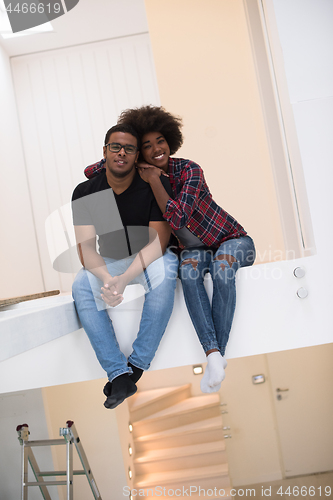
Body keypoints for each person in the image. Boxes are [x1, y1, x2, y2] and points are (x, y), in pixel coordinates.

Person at [84, 106, 256, 393]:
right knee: (188, 275)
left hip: (230, 239)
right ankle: (215, 358)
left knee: (222, 268)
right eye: (146, 145)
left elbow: (177, 218)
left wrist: (154, 180)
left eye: (160, 141)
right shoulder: (138, 171)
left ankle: (215, 355)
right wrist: (126, 156)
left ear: (170, 141)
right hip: (194, 249)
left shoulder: (189, 169)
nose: (156, 149)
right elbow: (91, 171)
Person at [72, 123, 178, 409]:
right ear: (104, 151)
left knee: (168, 271)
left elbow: (160, 240)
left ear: (135, 155)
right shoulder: (86, 191)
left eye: (129, 148)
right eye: (115, 147)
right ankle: (118, 374)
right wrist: (108, 278)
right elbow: (85, 249)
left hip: (149, 255)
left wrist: (124, 278)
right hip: (110, 259)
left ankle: (138, 366)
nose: (122, 153)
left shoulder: (150, 185)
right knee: (81, 284)